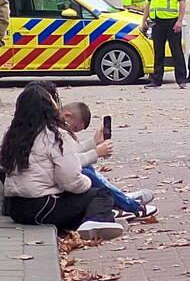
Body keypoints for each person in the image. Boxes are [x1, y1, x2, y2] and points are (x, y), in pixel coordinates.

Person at [1, 82, 124, 240]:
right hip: (42, 206)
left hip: (15, 209)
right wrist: (89, 183)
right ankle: (95, 222)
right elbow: (70, 181)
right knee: (101, 194)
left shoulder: (12, 135)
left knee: (72, 203)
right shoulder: (56, 134)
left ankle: (100, 219)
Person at [59, 102, 157, 220]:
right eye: (74, 128)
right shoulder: (55, 132)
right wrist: (96, 153)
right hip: (50, 191)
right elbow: (68, 162)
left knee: (87, 168)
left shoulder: (55, 129)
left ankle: (118, 198)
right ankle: (129, 205)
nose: (73, 133)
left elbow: (68, 155)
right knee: (86, 173)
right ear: (66, 116)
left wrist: (93, 142)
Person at [141, 0, 187, 89]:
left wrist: (179, 21)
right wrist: (144, 20)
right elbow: (148, 3)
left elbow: (182, 2)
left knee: (176, 51)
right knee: (158, 51)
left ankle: (182, 79)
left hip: (172, 21)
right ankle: (156, 80)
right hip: (157, 21)